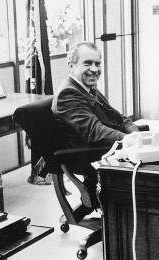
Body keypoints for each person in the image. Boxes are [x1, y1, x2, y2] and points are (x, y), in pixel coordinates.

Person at [52, 42, 138, 209]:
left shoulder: (87, 86)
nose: (94, 69)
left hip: (102, 148)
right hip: (86, 154)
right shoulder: (68, 93)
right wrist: (129, 140)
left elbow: (117, 117)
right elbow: (94, 131)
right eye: (87, 63)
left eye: (97, 64)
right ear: (71, 66)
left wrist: (136, 133)